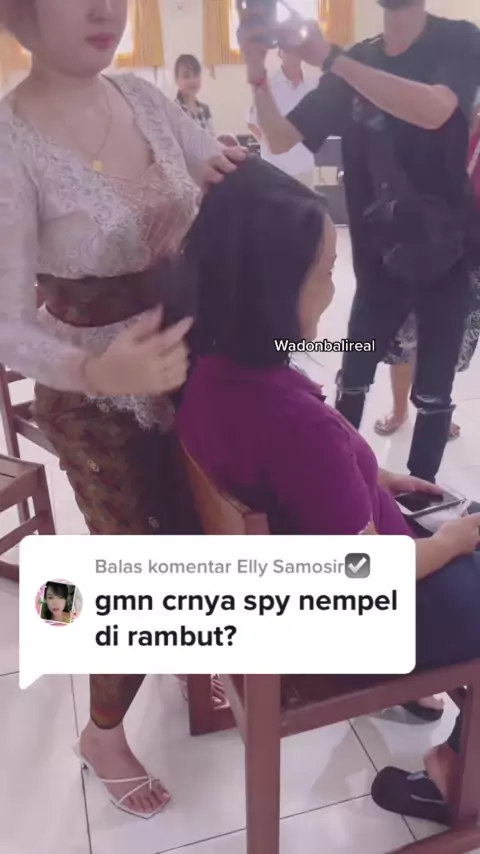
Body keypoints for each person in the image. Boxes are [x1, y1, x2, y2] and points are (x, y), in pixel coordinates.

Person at [177, 156, 480, 826]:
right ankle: (455, 771)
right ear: (270, 289)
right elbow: (367, 570)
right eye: (323, 272)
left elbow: (293, 473)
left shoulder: (208, 370)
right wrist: (454, 541)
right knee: (468, 531)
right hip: (359, 617)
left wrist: (374, 476)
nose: (334, 285)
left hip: (297, 588)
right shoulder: (293, 422)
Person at [0, 0, 245, 820]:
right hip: (94, 397)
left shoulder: (143, 97)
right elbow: (6, 322)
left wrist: (228, 167)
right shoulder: (9, 143)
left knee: (209, 529)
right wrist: (95, 367)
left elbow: (217, 169)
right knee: (137, 569)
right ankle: (101, 733)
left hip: (193, 362)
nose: (107, 8)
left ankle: (194, 653)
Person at [238, 0, 480, 483]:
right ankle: (340, 488)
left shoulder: (458, 38)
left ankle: (420, 497)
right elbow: (280, 138)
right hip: (376, 265)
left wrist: (332, 58)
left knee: (434, 395)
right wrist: (255, 70)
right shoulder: (356, 60)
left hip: (447, 258)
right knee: (353, 379)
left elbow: (435, 110)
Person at [375, 103, 480, 440]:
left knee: (450, 336)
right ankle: (400, 408)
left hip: (471, 247)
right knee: (405, 332)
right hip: (421, 235)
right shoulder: (433, 115)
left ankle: (435, 409)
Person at [247, 47, 316, 187]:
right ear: (280, 53)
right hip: (275, 170)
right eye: (288, 49)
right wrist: (270, 143)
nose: (293, 54)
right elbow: (252, 123)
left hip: (305, 167)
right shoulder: (268, 85)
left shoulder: (312, 86)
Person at [174, 54, 215, 135]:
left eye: (196, 75)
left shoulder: (205, 109)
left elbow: (211, 138)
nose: (192, 80)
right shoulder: (173, 109)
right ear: (177, 80)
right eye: (186, 76)